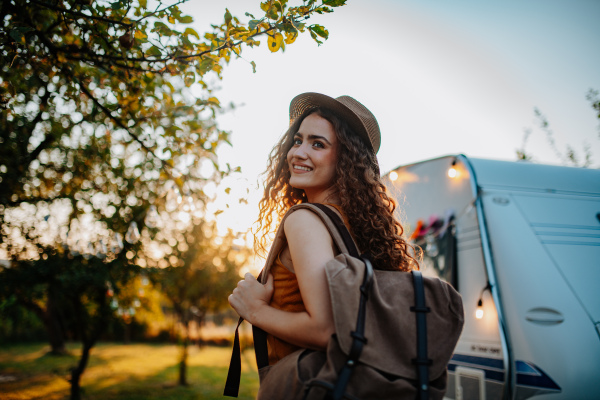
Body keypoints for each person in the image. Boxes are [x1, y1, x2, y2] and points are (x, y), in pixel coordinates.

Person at [228, 92, 419, 366]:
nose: (297, 153)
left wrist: (254, 310)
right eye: (298, 140)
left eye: (317, 144)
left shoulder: (305, 220)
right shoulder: (359, 229)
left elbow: (326, 331)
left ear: (345, 160)